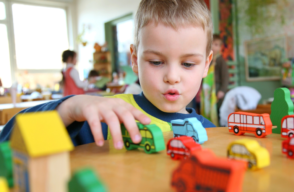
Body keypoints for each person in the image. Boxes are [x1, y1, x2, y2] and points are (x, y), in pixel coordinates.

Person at [0, 0, 215, 149]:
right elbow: (8, 144)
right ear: (134, 60)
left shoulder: (213, 134)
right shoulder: (104, 117)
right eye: (156, 62)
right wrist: (68, 109)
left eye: (187, 64)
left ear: (206, 65)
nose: (172, 76)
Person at [201, 34, 229, 126]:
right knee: (206, 109)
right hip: (206, 90)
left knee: (217, 110)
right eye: (212, 44)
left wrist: (222, 90)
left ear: (220, 47)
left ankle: (218, 127)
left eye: (216, 45)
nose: (213, 46)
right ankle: (207, 126)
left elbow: (225, 77)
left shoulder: (221, 61)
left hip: (217, 89)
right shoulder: (206, 60)